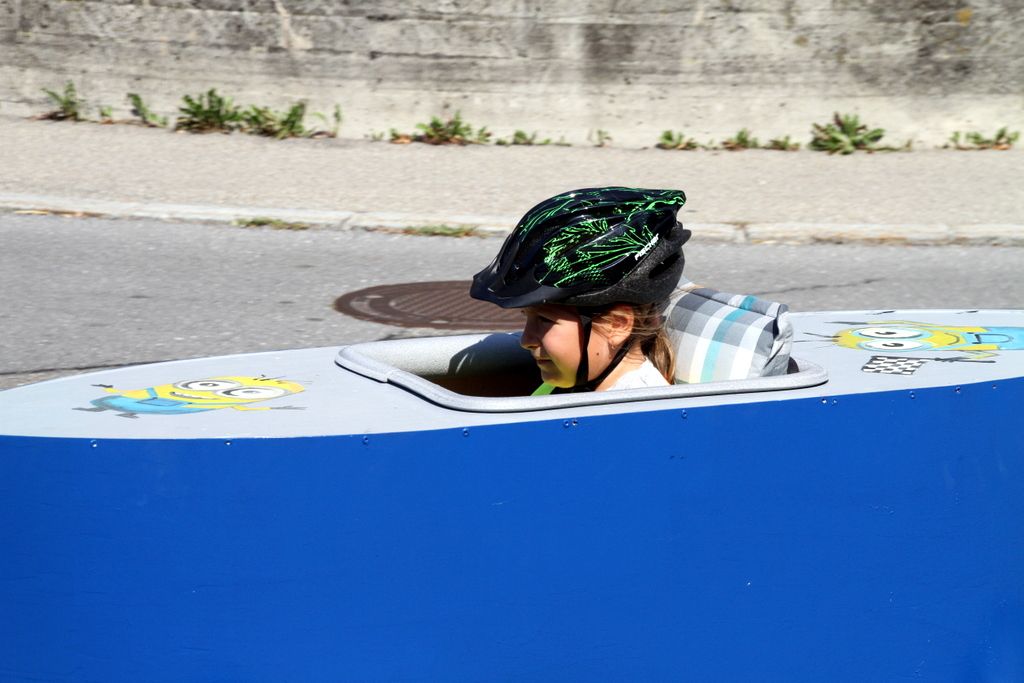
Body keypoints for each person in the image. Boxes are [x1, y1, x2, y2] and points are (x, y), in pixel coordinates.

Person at [470, 186, 690, 394]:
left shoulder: (637, 410)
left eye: (545, 320)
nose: (526, 340)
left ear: (617, 325)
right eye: (526, 317)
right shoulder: (571, 385)